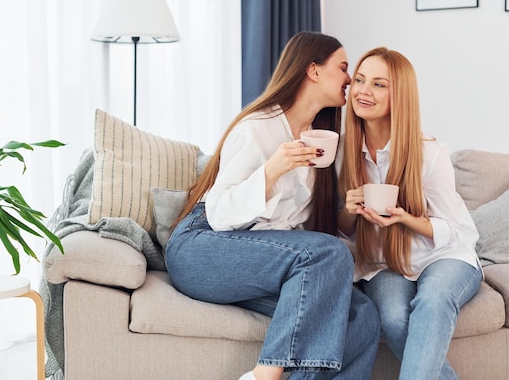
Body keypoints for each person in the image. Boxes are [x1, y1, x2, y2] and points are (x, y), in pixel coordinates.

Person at [165, 32, 380, 380]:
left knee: (362, 316)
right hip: (201, 249)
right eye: (343, 68)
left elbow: (302, 238)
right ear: (313, 71)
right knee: (327, 254)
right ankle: (264, 376)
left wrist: (350, 214)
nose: (349, 79)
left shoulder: (321, 144)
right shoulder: (258, 128)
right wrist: (271, 171)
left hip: (257, 264)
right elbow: (219, 214)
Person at [337, 47, 483, 380]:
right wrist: (348, 210)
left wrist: (404, 218)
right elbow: (342, 231)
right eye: (359, 80)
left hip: (443, 254)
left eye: (378, 84)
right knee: (392, 318)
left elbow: (451, 228)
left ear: (399, 95)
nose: (362, 91)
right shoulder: (344, 151)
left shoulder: (428, 152)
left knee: (432, 303)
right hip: (383, 262)